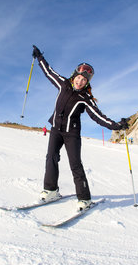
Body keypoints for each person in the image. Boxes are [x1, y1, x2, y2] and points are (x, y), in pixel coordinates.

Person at [32, 45, 129, 210]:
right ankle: (51, 190)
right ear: (74, 76)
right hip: (56, 129)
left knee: (75, 164)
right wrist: (40, 57)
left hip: (72, 134)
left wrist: (116, 126)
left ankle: (84, 199)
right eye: (79, 77)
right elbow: (49, 72)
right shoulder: (63, 84)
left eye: (84, 80)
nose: (80, 81)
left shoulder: (85, 98)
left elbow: (98, 116)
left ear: (87, 82)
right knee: (51, 157)